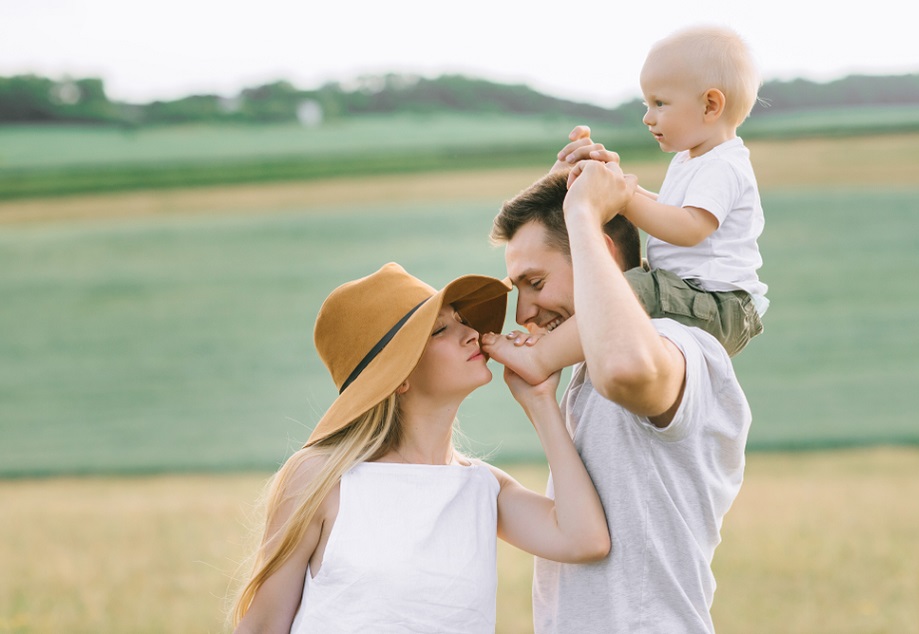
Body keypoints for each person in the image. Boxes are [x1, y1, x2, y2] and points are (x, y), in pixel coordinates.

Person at [230, 262, 610, 633]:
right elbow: (263, 625)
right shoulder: (322, 479)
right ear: (398, 377)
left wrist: (540, 401)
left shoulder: (482, 488)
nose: (472, 334)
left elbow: (586, 539)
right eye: (441, 330)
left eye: (461, 319)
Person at [482, 159, 752, 633]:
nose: (523, 311)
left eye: (536, 283)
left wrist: (583, 214)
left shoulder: (681, 344)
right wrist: (542, 402)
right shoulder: (588, 374)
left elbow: (626, 369)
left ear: (600, 254)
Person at [556, 25, 769, 357]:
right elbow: (670, 209)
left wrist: (625, 201)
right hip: (693, 295)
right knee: (618, 282)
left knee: (623, 290)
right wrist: (619, 185)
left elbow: (689, 228)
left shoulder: (723, 166)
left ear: (710, 106)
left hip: (719, 304)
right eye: (646, 103)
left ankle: (542, 356)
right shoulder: (693, 159)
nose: (647, 117)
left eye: (659, 103)